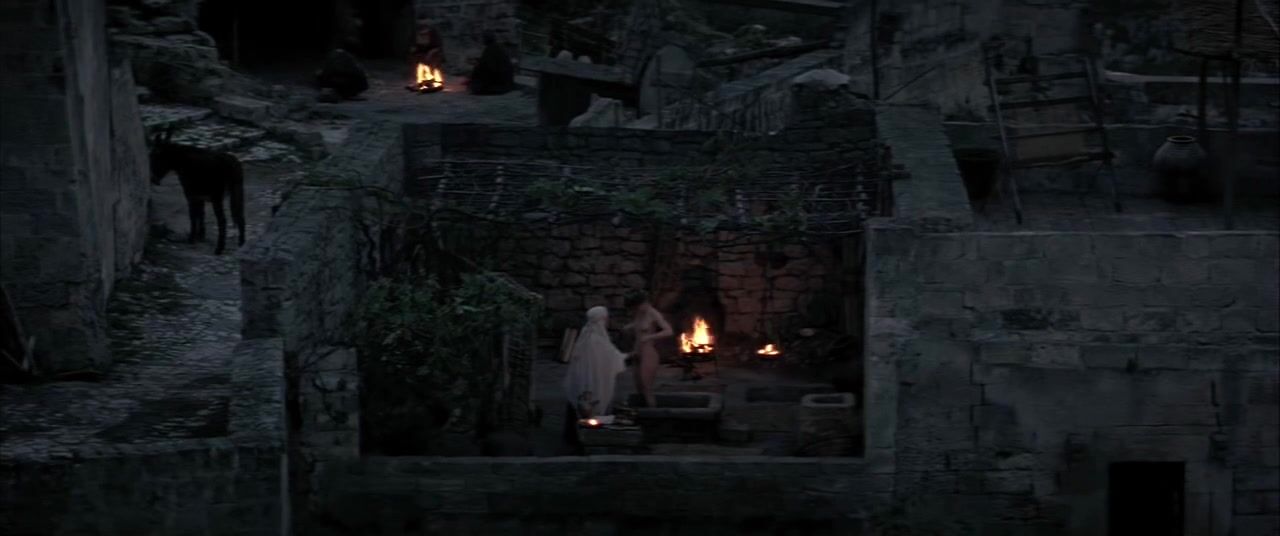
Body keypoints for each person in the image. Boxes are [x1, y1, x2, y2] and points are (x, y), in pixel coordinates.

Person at [563, 306, 632, 421]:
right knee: (594, 401)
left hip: (583, 379)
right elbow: (612, 358)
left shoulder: (585, 337)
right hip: (595, 379)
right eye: (606, 319)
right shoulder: (598, 341)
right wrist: (630, 355)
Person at [623, 289, 673, 408]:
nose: (637, 309)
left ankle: (653, 412)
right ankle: (642, 412)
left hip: (648, 351)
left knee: (646, 387)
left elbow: (669, 331)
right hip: (637, 351)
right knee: (639, 386)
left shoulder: (653, 313)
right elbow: (640, 327)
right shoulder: (638, 313)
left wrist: (650, 337)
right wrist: (629, 327)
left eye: (638, 306)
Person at [468, 31, 515, 95]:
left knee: (477, 75)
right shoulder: (499, 47)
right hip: (506, 83)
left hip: (499, 84)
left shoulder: (490, 49)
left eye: (483, 38)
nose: (482, 40)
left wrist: (476, 70)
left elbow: (488, 67)